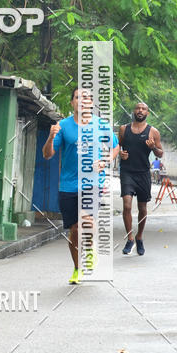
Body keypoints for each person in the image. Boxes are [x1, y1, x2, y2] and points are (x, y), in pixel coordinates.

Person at [42, 87, 119, 284]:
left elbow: (116, 146)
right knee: (75, 230)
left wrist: (105, 161)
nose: (82, 101)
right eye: (78, 97)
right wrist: (51, 136)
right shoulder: (63, 126)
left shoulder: (100, 125)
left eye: (86, 98)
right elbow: (48, 154)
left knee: (86, 221)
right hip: (68, 186)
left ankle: (91, 248)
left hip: (92, 182)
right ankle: (77, 268)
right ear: (72, 102)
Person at [118, 102, 163, 255]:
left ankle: (139, 237)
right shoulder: (124, 129)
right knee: (127, 205)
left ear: (147, 113)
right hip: (127, 172)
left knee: (142, 208)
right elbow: (118, 147)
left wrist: (153, 148)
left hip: (143, 173)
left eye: (143, 109)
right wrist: (120, 154)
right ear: (134, 111)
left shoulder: (153, 132)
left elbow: (160, 153)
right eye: (138, 108)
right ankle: (130, 238)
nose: (140, 111)